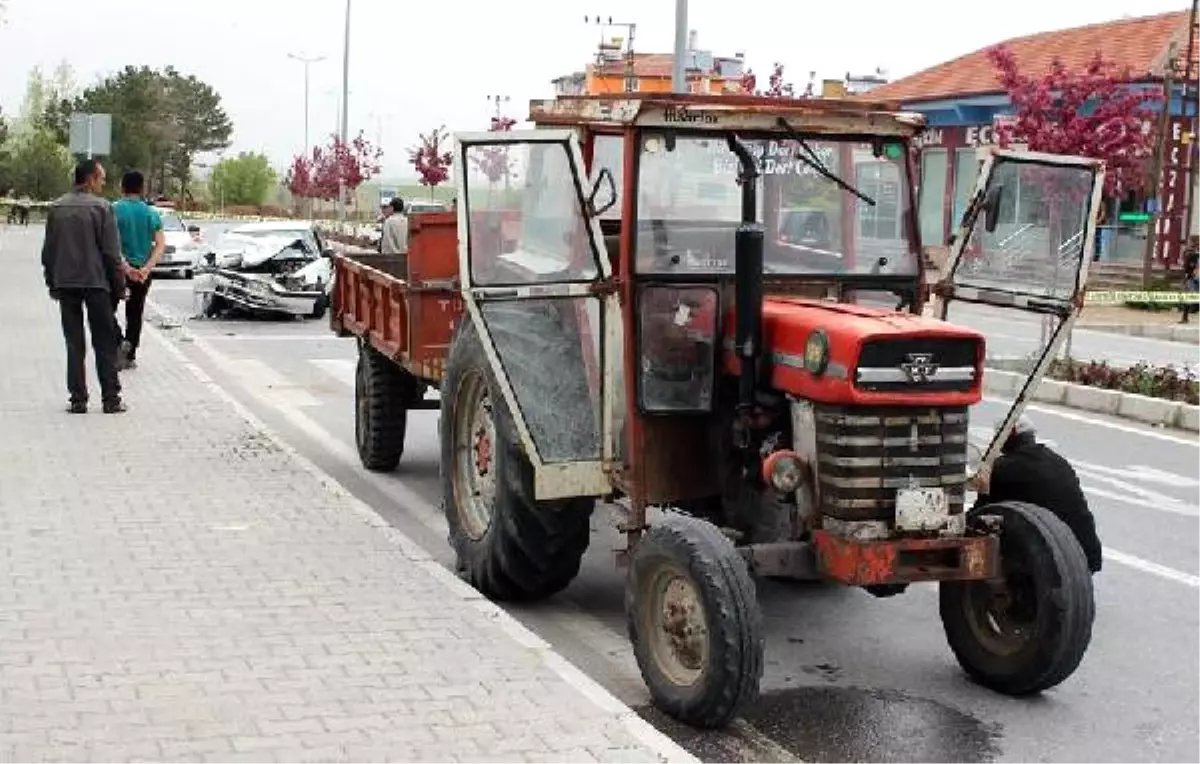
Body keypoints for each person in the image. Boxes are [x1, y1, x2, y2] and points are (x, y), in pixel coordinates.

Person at [41, 158, 126, 414]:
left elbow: (49, 251)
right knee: (104, 341)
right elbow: (111, 253)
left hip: (66, 283)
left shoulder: (57, 208)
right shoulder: (102, 208)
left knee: (73, 342)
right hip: (96, 283)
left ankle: (78, 399)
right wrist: (118, 286)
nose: (103, 182)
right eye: (101, 178)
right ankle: (111, 398)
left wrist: (51, 281)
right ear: (89, 179)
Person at [971, 415, 1102, 574]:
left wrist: (983, 491)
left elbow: (981, 514)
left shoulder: (1004, 469)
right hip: (1087, 556)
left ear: (1005, 438)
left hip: (1051, 565)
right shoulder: (1058, 461)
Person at [112, 171, 165, 369]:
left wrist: (125, 266)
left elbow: (110, 244)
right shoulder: (152, 213)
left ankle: (119, 342)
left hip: (118, 269)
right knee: (135, 312)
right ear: (142, 188)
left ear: (122, 187)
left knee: (107, 310)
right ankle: (130, 354)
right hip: (143, 272)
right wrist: (146, 268)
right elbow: (160, 244)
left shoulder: (113, 210)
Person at [380, 196, 409, 272]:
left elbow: (388, 240)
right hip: (406, 257)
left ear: (392, 208)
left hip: (391, 258)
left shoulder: (389, 221)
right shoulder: (407, 221)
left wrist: (394, 253)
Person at [1181, 236, 1200, 324]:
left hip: (1192, 277)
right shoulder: (1192, 253)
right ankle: (1185, 317)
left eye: (1189, 241)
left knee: (1188, 296)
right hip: (1195, 277)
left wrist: (1186, 275)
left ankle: (1185, 317)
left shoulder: (1191, 254)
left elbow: (1188, 267)